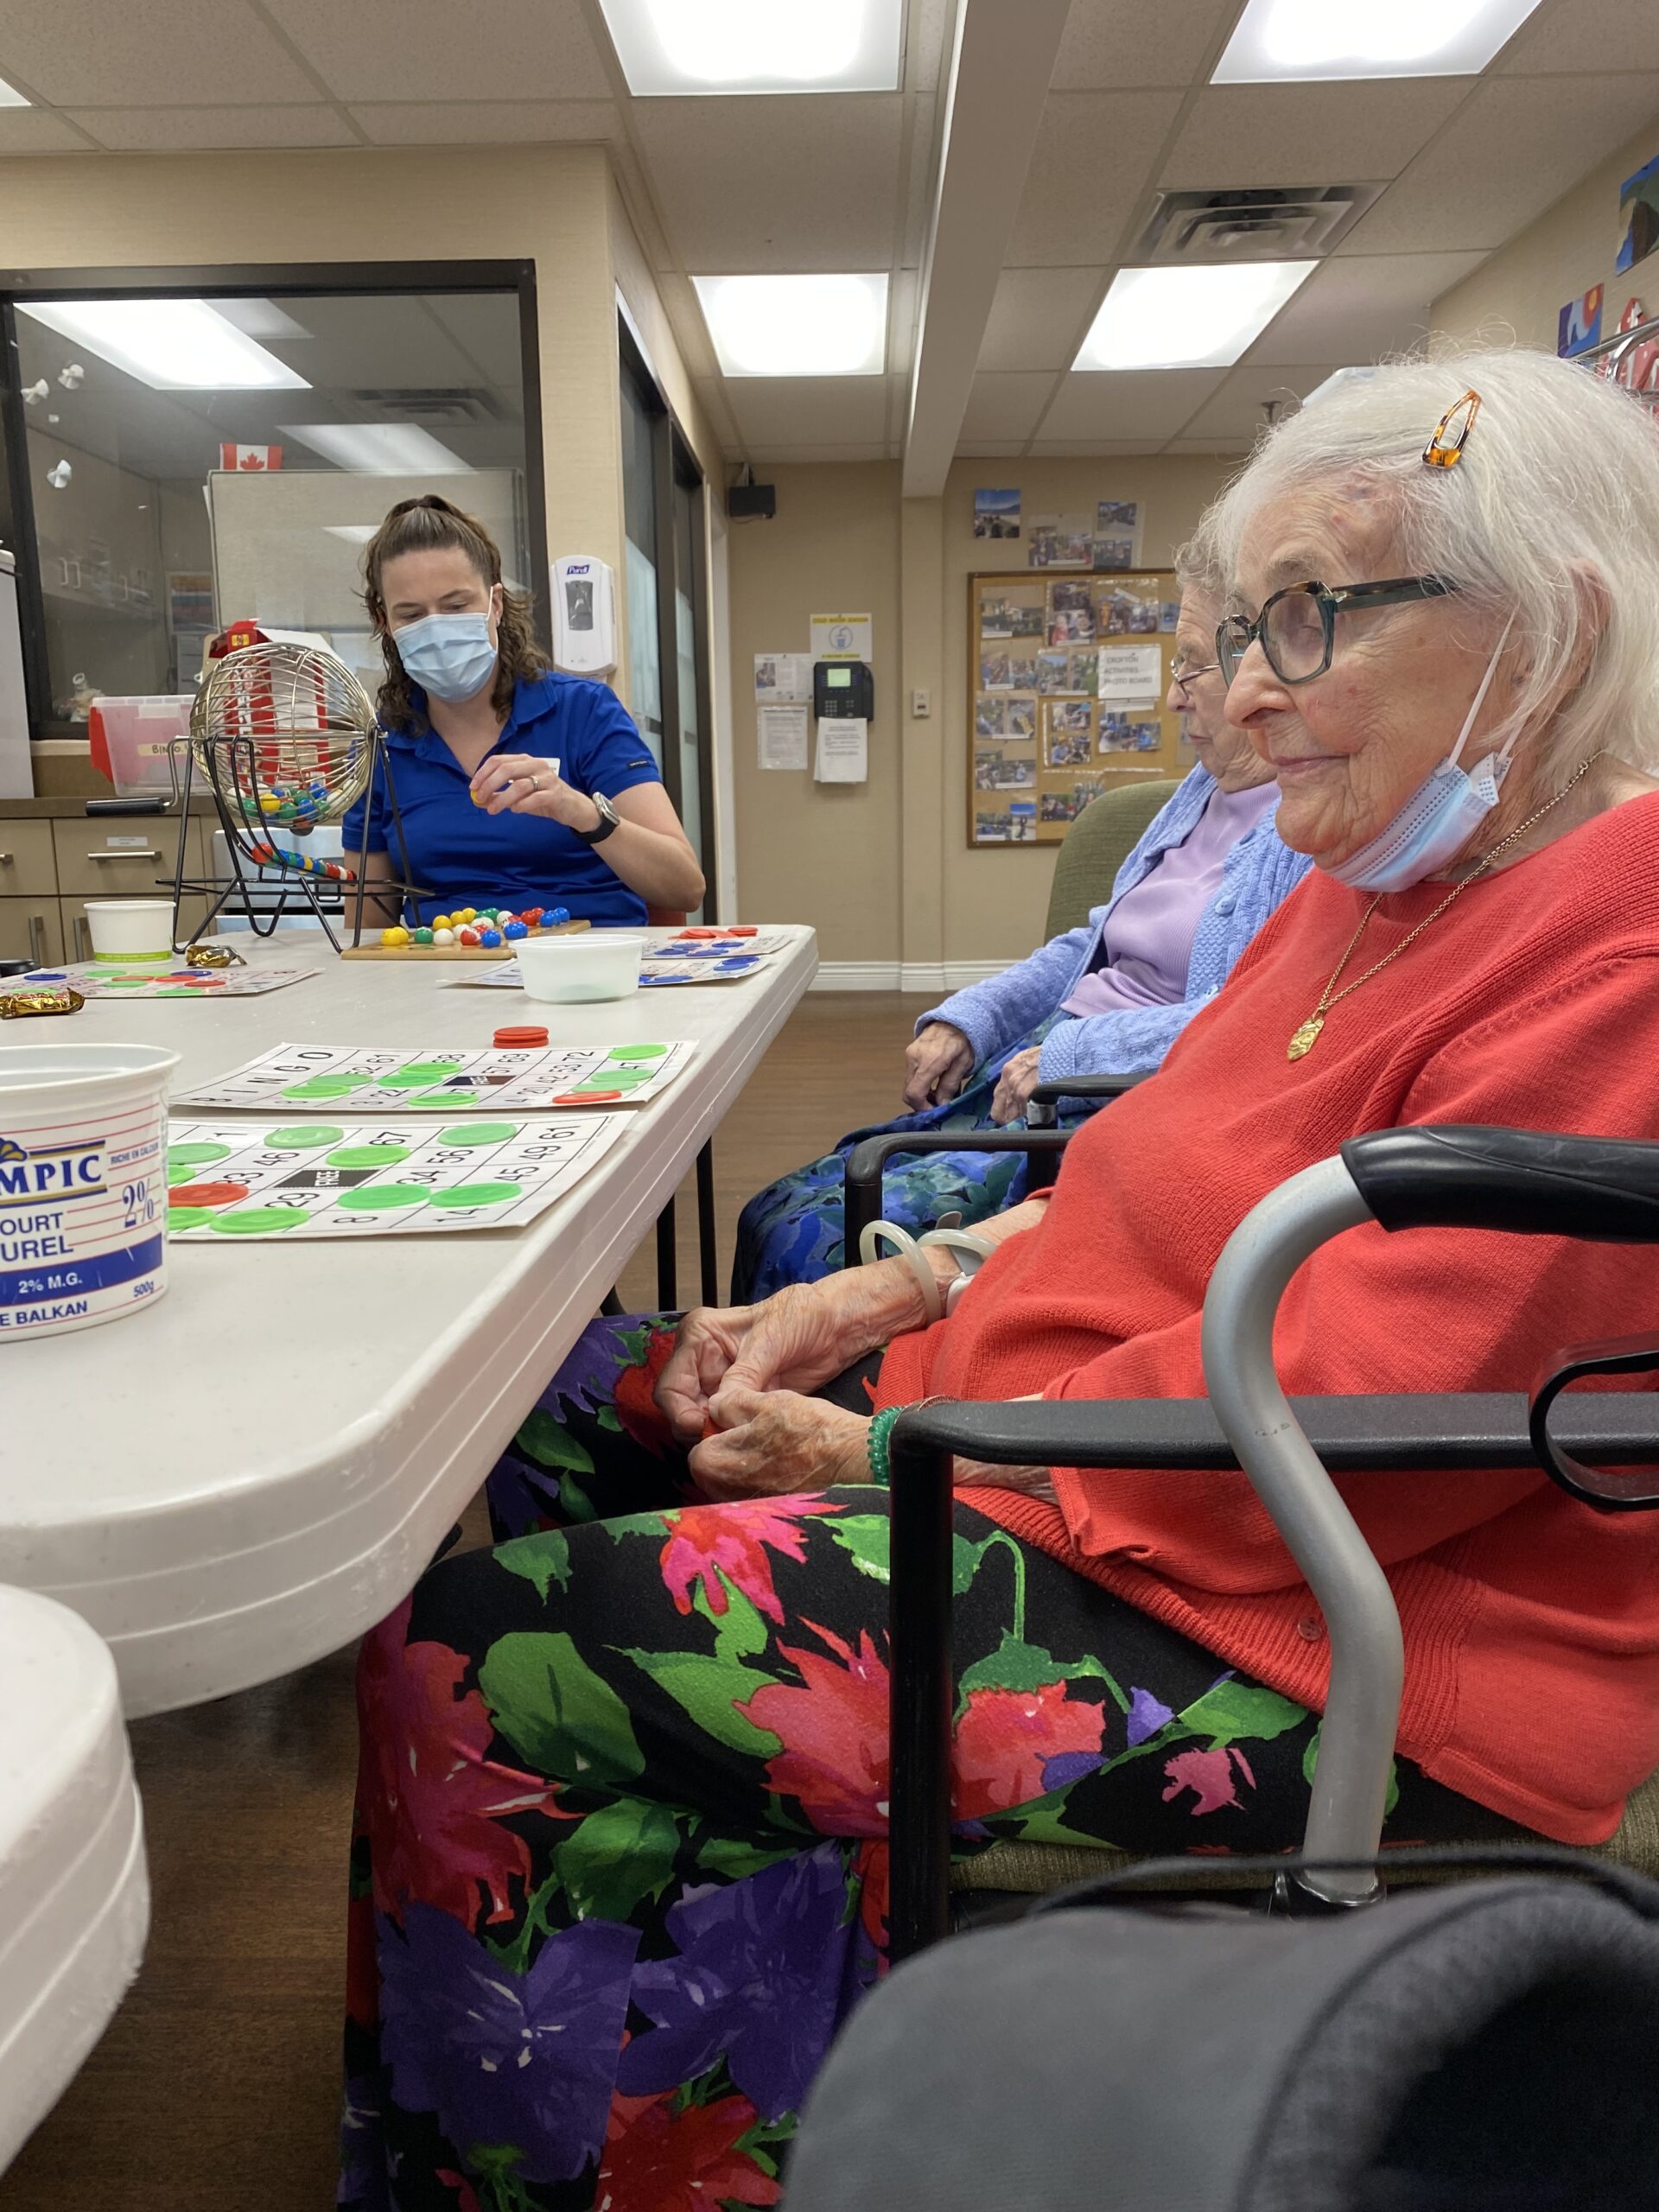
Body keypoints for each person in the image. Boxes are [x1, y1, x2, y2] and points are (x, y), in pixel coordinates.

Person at [340, 348, 1659, 2209]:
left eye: (1310, 617)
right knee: (544, 1400)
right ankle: (726, 2005)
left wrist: (903, 1454)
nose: (1248, 693)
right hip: (1075, 1459)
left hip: (1306, 1624)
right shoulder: (1370, 888)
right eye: (1245, 628)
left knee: (467, 1657)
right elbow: (1135, 1185)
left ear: (1557, 629)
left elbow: (1349, 1429)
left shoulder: (1620, 949)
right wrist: (873, 1301)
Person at [732, 544, 1310, 1300]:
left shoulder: (1305, 827)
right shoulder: (1201, 790)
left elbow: (1262, 1024)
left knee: (810, 1241)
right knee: (775, 1207)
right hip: (1042, 1068)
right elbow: (1093, 942)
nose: (1173, 698)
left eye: (1190, 667)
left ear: (1261, 669)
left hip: (1102, 1103)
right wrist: (973, 1017)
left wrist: (1068, 1055)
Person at [341, 494, 703, 927]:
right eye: (412, 614)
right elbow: (366, 934)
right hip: (449, 963)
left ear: (495, 604)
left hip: (587, 956)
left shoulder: (583, 712)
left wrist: (579, 811)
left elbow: (685, 887)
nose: (436, 628)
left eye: (456, 606)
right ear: (385, 621)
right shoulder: (380, 746)